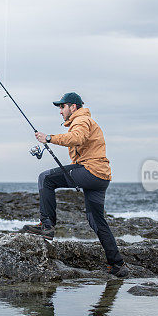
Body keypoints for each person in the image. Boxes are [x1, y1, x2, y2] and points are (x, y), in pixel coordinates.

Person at [22, 92, 129, 278]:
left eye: (62, 107)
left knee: (45, 179)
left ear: (73, 107)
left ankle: (46, 226)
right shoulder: (83, 121)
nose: (60, 111)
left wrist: (48, 138)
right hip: (101, 177)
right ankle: (117, 264)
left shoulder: (81, 120)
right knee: (96, 221)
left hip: (90, 171)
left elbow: (77, 138)